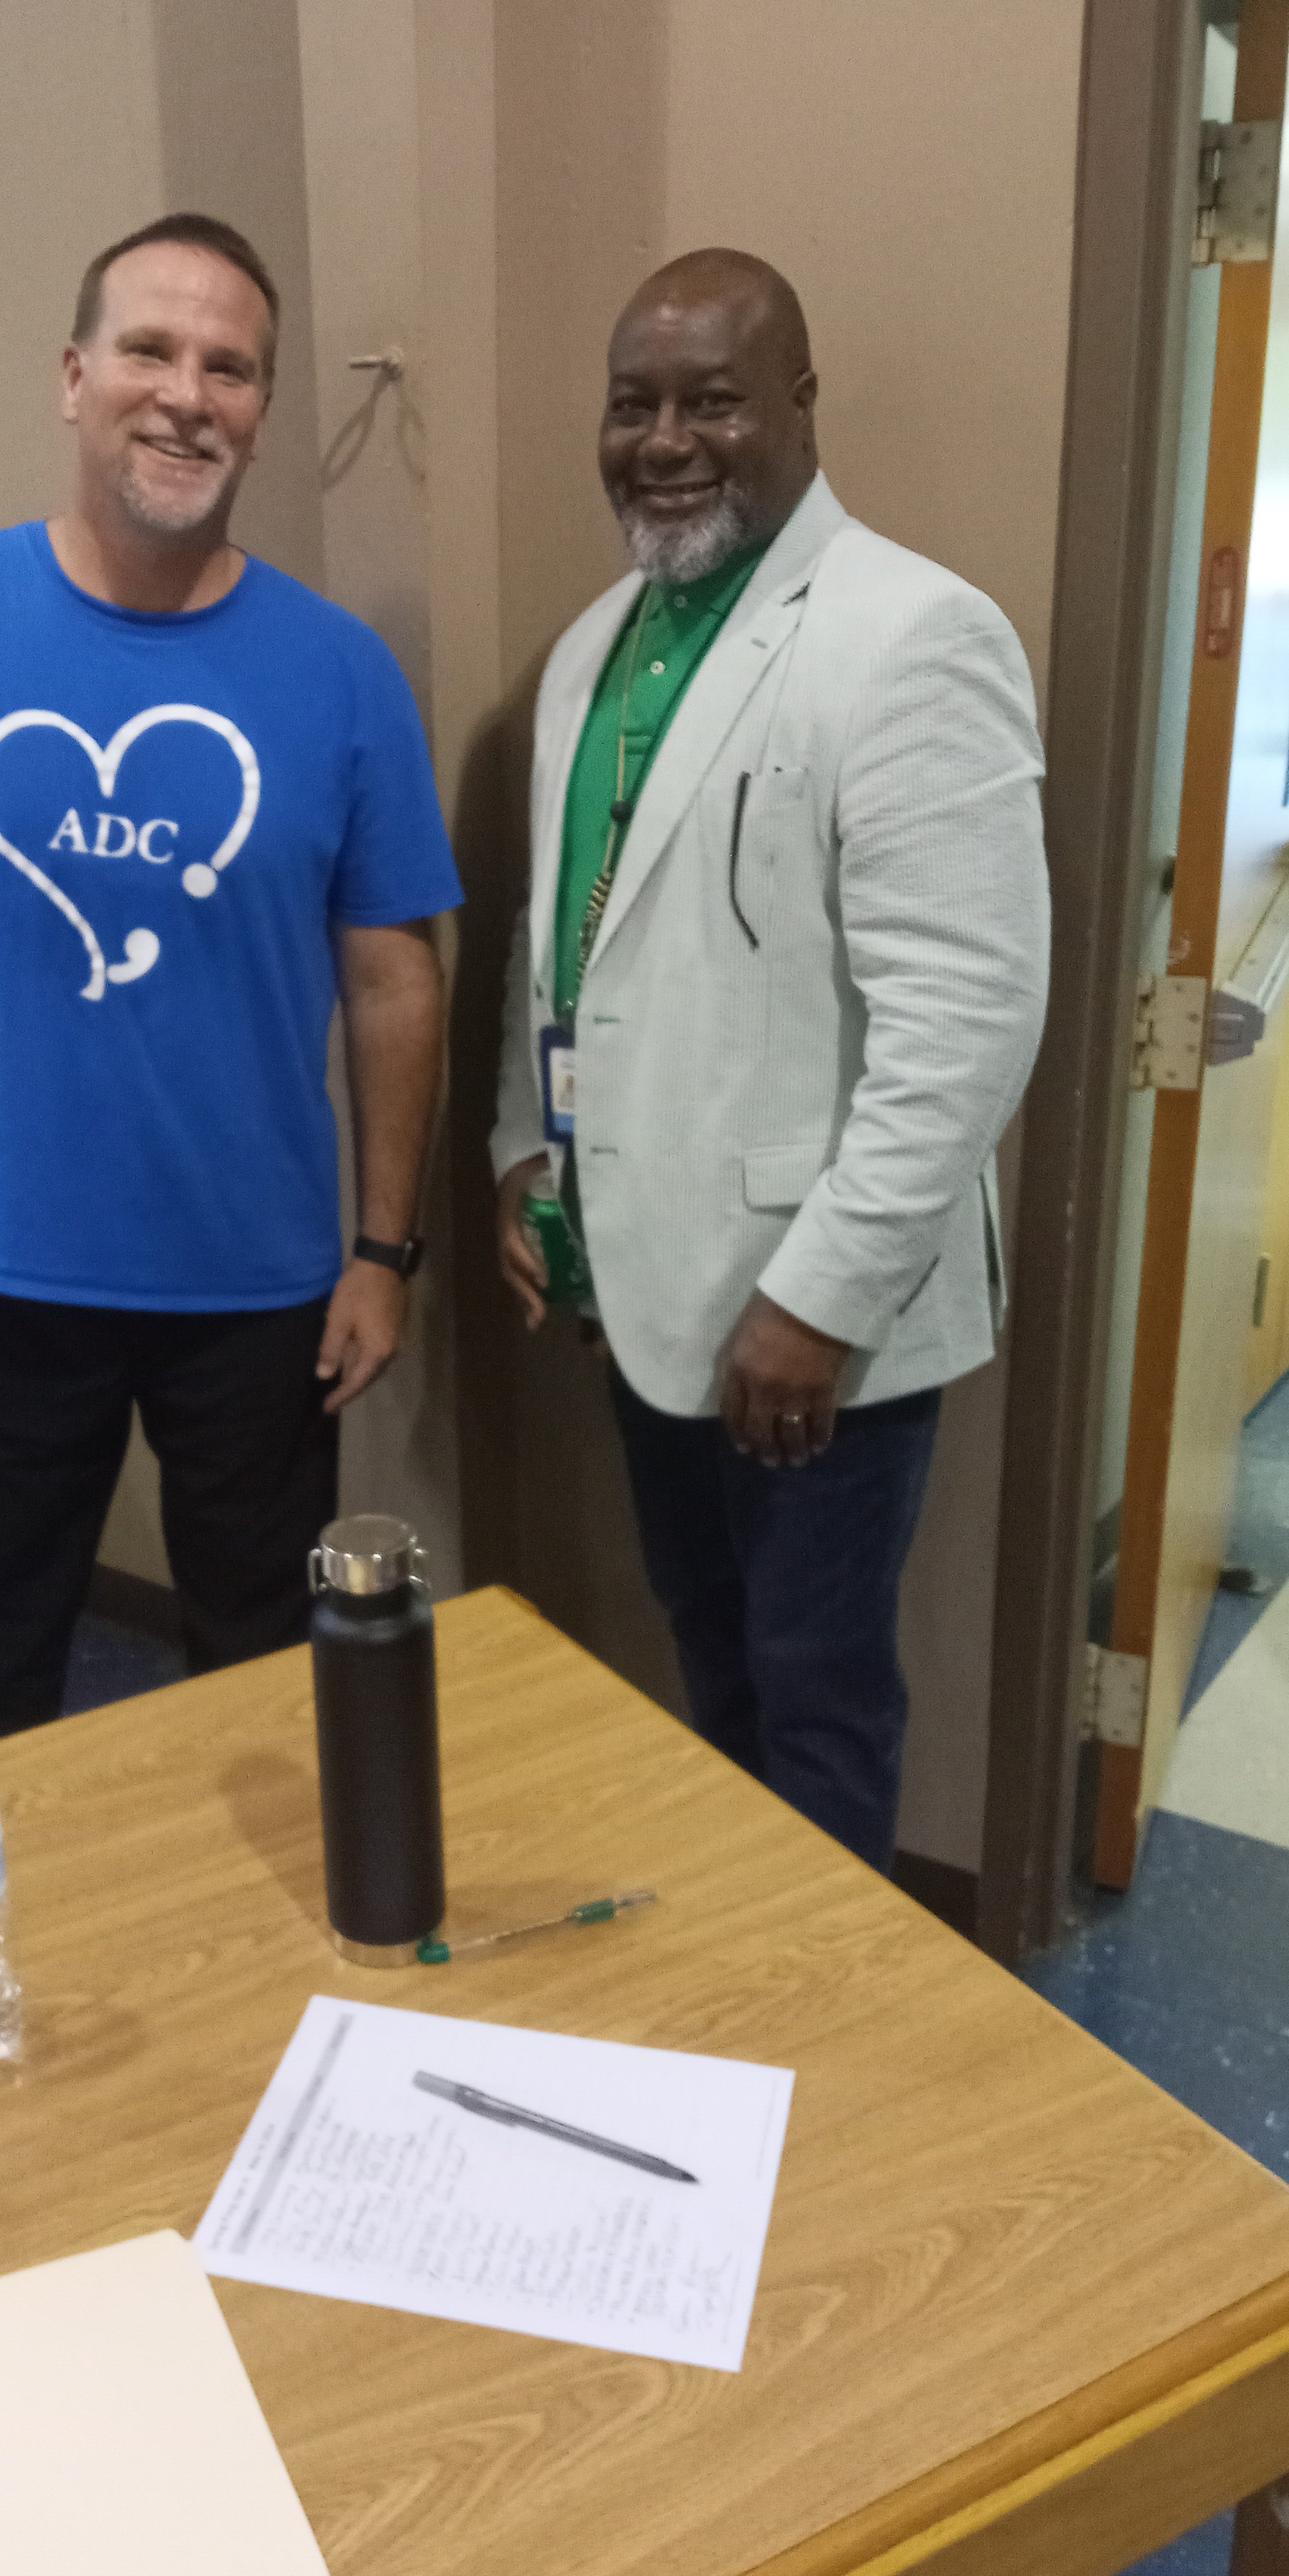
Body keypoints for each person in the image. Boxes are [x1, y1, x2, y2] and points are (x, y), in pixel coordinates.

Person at [0, 213, 460, 1745]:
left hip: (263, 1292)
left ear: (262, 413)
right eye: (149, 350)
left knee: (268, 1686)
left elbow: (393, 980)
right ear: (73, 378)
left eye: (230, 368)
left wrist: (382, 1251)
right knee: (3, 1669)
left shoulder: (343, 675)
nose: (186, 395)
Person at [488, 250, 1049, 1869]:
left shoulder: (913, 634)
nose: (664, 442)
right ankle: (741, 1959)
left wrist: (819, 1301)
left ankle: (822, 2009)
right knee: (713, 1655)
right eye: (632, 405)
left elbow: (968, 1018)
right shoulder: (595, 647)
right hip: (641, 1275)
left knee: (817, 1698)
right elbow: (567, 932)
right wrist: (528, 1150)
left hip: (810, 1322)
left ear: (799, 407)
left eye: (713, 402)